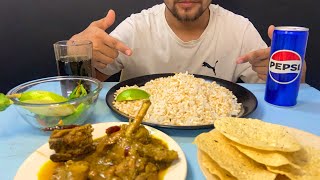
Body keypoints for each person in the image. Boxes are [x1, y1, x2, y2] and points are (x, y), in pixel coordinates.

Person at [70, 0, 306, 83]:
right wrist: (78, 54)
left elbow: (275, 86)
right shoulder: (137, 27)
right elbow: (89, 81)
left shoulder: (239, 29)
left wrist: (293, 73)